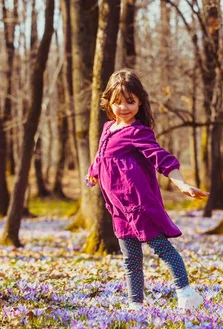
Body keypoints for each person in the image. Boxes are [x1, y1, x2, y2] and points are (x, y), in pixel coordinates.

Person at [85, 69, 209, 311]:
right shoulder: (108, 129)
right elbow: (101, 157)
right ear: (109, 103)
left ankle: (186, 293)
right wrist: (93, 172)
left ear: (140, 101)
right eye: (117, 102)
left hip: (139, 206)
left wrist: (181, 183)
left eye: (130, 101)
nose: (124, 108)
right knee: (131, 259)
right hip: (119, 209)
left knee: (162, 248)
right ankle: (136, 304)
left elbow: (161, 158)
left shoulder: (138, 132)